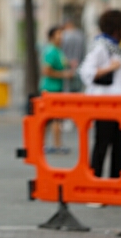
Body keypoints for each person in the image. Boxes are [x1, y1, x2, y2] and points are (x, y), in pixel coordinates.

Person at [78, 10, 121, 180]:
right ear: (117, 28)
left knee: (119, 145)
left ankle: (114, 182)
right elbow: (86, 72)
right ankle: (95, 182)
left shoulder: (119, 47)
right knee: (102, 144)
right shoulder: (102, 46)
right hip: (105, 103)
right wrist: (109, 68)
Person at [41, 25, 73, 153]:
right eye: (58, 34)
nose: (61, 37)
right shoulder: (51, 51)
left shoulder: (58, 51)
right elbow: (46, 70)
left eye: (62, 34)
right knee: (53, 118)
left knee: (54, 118)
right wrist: (64, 74)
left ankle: (54, 144)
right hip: (50, 89)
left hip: (57, 88)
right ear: (51, 37)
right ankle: (55, 144)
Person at [61, 18, 86, 92]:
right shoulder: (81, 35)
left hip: (66, 68)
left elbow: (61, 53)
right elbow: (84, 52)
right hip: (79, 66)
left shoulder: (63, 35)